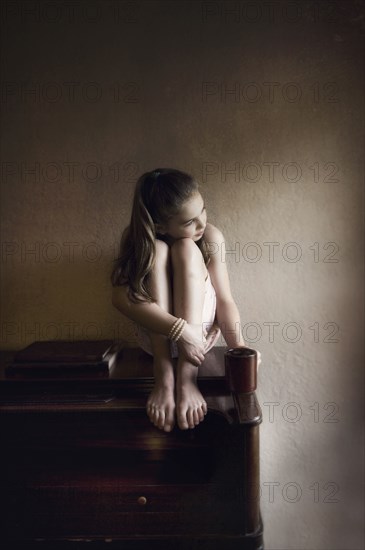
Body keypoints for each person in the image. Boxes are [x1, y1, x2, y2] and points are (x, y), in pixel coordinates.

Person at [111, 168, 261, 432]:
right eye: (189, 222)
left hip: (198, 345)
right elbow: (121, 299)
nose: (202, 223)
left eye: (202, 210)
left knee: (185, 247)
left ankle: (187, 379)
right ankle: (165, 375)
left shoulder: (210, 237)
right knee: (157, 249)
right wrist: (180, 331)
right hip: (159, 340)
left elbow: (225, 300)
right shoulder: (139, 238)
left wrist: (239, 347)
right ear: (160, 225)